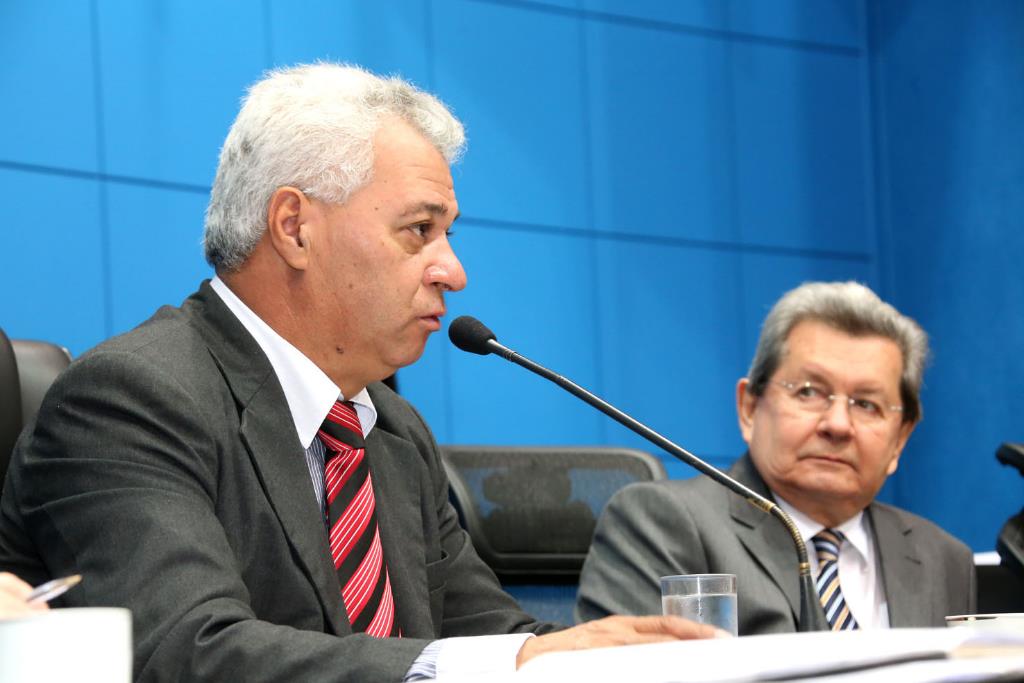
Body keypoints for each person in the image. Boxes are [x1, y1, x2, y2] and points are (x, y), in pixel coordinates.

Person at [0, 63, 716, 682]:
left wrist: (602, 661)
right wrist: (520, 661)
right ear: (294, 227)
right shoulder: (131, 399)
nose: (454, 271)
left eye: (448, 233)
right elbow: (187, 652)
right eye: (419, 230)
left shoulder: (391, 429)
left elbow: (492, 639)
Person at [575, 281, 976, 634]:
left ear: (900, 439)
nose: (838, 425)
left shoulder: (942, 557)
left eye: (867, 404)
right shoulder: (663, 524)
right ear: (749, 408)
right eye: (809, 392)